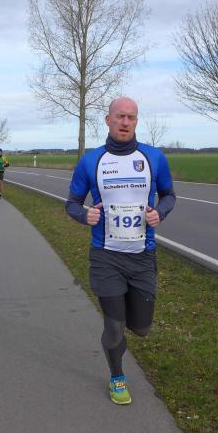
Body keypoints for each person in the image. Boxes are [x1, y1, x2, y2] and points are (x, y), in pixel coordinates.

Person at [65, 97, 176, 405]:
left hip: (143, 256)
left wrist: (160, 213)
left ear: (136, 121)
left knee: (142, 328)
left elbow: (169, 195)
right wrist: (84, 215)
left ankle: (122, 331)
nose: (125, 122)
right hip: (106, 257)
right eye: (120, 116)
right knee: (114, 326)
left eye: (131, 117)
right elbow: (72, 204)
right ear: (108, 119)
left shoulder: (154, 158)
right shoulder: (91, 161)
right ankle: (117, 376)